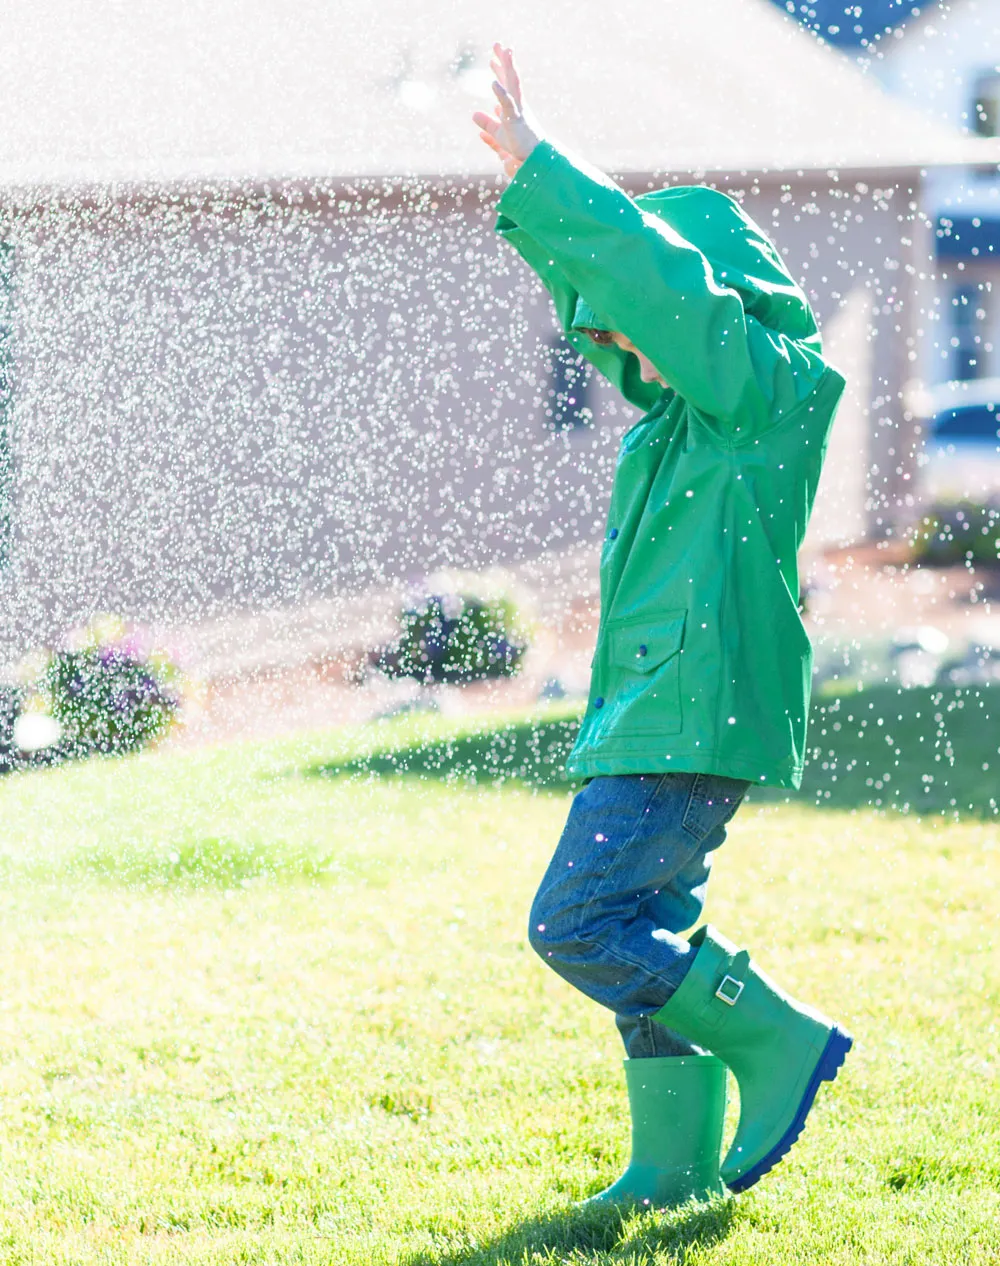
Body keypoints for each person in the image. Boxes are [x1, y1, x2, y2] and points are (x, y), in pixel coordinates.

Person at [472, 45, 852, 1208]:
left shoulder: (765, 390)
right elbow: (633, 291)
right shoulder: (677, 428)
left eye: (627, 321)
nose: (619, 341)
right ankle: (671, 1168)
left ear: (712, 298)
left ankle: (777, 1038)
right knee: (638, 922)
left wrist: (544, 168)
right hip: (659, 712)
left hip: (693, 717)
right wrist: (541, 221)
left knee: (577, 921)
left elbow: (659, 286)